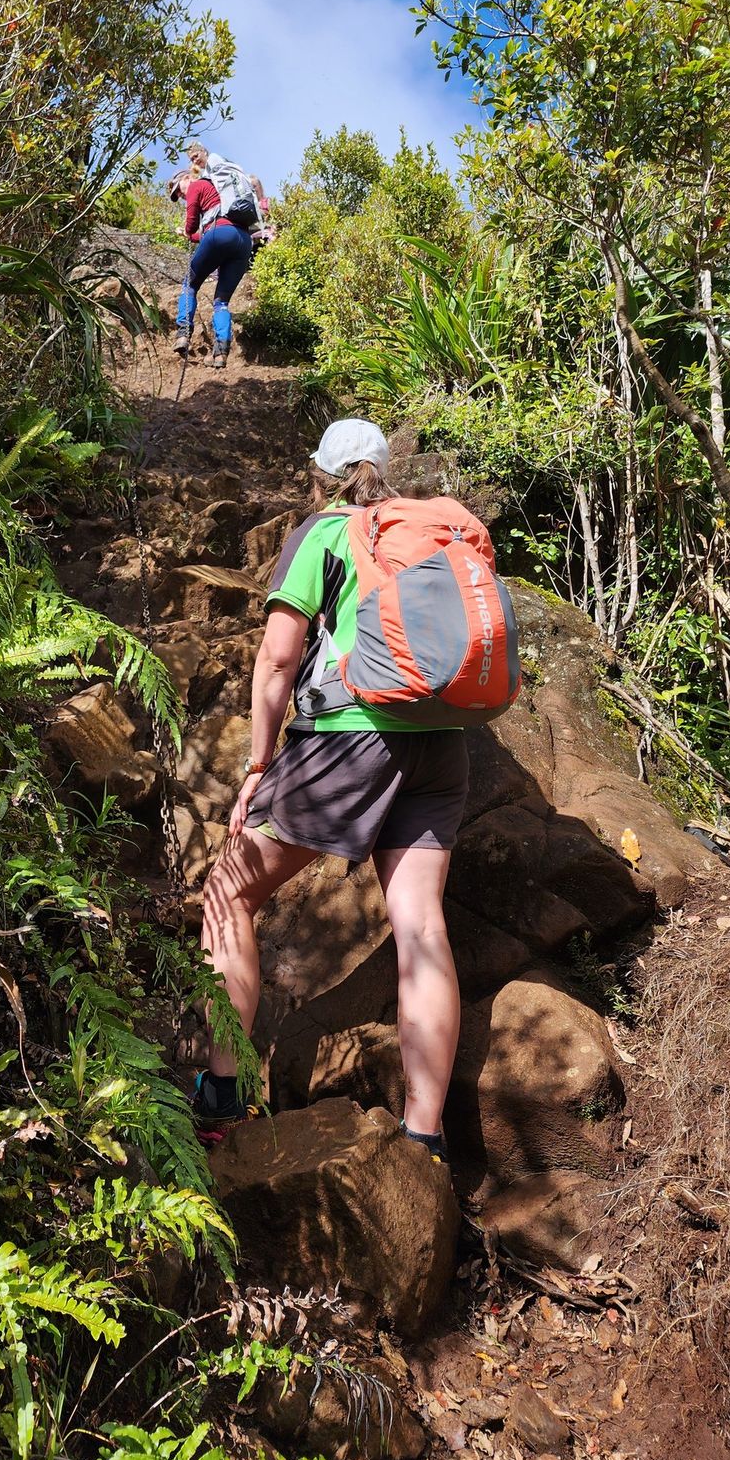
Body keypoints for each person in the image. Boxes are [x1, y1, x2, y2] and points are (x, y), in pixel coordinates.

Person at [192, 419, 473, 1164]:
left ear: (321, 476)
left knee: (230, 891)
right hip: (441, 746)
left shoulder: (324, 532)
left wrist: (257, 766)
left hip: (349, 740)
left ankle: (221, 1091)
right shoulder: (429, 538)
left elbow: (279, 663)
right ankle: (424, 1132)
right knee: (420, 928)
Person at [168, 142, 255, 370]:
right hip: (243, 241)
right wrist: (192, 237)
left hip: (219, 235)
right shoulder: (218, 190)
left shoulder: (197, 185)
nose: (181, 195)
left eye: (179, 189)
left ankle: (183, 334)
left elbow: (193, 224)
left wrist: (186, 232)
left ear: (186, 178)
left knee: (189, 284)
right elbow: (212, 231)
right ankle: (220, 354)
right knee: (221, 301)